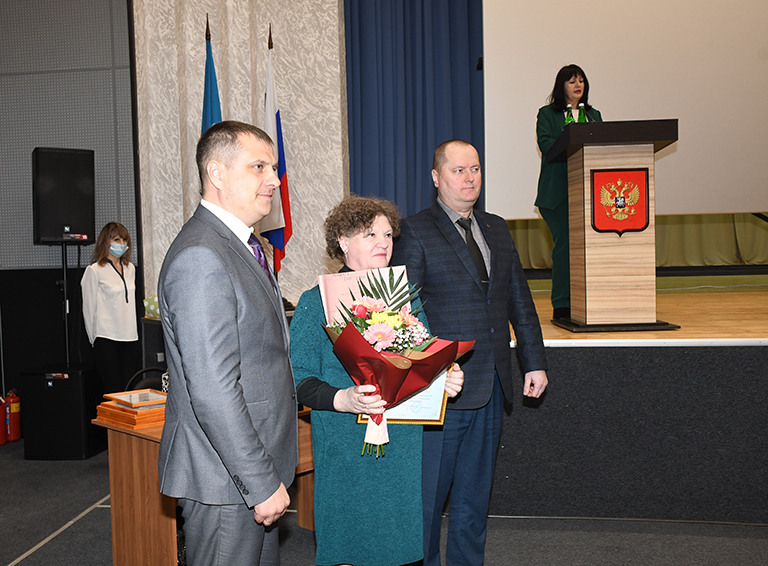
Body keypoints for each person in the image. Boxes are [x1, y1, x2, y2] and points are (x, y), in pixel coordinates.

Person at [391, 140, 548, 566]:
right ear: (436, 178)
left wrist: (533, 361)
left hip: (493, 385)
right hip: (443, 391)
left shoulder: (497, 227)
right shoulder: (415, 231)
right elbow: (403, 313)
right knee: (428, 501)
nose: (469, 177)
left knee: (474, 500)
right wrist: (435, 370)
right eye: (458, 170)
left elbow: (519, 299)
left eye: (475, 168)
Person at [290, 195, 464, 566]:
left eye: (387, 234)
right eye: (370, 234)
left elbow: (423, 364)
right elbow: (298, 379)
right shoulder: (315, 301)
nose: (383, 242)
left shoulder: (405, 300)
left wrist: (444, 379)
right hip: (344, 443)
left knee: (400, 547)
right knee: (350, 546)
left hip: (401, 446)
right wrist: (345, 398)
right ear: (342, 240)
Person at [157, 121, 298, 566]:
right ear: (216, 173)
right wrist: (259, 480)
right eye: (259, 167)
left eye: (273, 167)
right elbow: (214, 389)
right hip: (228, 480)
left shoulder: (242, 244)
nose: (274, 180)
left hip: (246, 469)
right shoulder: (202, 255)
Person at [536, 64, 603, 320]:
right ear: (561, 85)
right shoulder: (547, 114)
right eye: (572, 81)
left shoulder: (594, 115)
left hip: (588, 193)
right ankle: (562, 304)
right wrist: (570, 136)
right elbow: (546, 146)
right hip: (558, 195)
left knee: (587, 247)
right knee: (565, 247)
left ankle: (588, 299)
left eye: (582, 80)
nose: (578, 85)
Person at [81, 221, 140, 394]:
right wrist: (94, 339)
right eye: (116, 239)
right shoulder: (94, 270)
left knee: (128, 390)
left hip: (130, 337)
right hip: (106, 338)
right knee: (112, 391)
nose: (121, 244)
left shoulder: (130, 269)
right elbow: (88, 308)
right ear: (106, 242)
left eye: (124, 240)